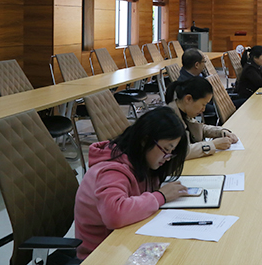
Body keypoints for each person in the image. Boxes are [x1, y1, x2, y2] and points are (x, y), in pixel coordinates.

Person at [74, 107, 189, 259]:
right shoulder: (111, 170)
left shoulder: (142, 162)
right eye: (166, 150)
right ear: (145, 140)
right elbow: (115, 215)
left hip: (125, 244)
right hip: (99, 255)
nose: (167, 158)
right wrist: (160, 196)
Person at [165, 76, 238, 159]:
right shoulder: (168, 120)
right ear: (188, 99)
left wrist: (221, 132)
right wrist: (213, 145)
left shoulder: (184, 112)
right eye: (203, 104)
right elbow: (179, 153)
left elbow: (199, 128)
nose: (204, 109)